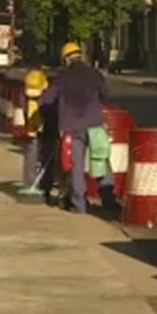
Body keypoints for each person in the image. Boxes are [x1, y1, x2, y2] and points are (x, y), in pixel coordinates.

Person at [39, 41, 117, 214]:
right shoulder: (94, 74)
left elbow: (45, 101)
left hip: (72, 127)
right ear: (80, 56)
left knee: (76, 165)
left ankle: (78, 204)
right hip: (95, 124)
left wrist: (52, 114)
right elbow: (106, 95)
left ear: (66, 59)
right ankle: (109, 201)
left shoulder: (62, 78)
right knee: (100, 160)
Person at [18, 60, 48, 196]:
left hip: (30, 123)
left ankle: (29, 182)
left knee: (31, 152)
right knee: (44, 152)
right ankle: (43, 181)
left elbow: (22, 103)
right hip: (43, 120)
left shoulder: (28, 80)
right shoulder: (43, 79)